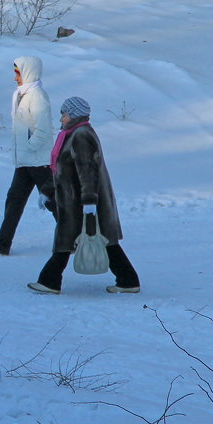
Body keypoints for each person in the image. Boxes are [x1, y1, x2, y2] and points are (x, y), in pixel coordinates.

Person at [27, 96, 140, 295]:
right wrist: (47, 191)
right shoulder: (71, 134)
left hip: (81, 202)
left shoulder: (81, 135)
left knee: (86, 239)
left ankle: (50, 281)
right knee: (99, 240)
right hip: (74, 201)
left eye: (64, 114)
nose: (61, 118)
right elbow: (60, 169)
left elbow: (88, 171)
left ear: (74, 115)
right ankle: (127, 280)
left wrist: (89, 202)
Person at [0, 56, 56, 255]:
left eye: (18, 73)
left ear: (28, 71)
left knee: (52, 201)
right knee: (14, 199)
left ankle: (75, 239)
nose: (15, 78)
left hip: (38, 161)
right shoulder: (22, 94)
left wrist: (30, 147)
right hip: (25, 161)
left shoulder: (37, 95)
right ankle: (3, 242)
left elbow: (44, 130)